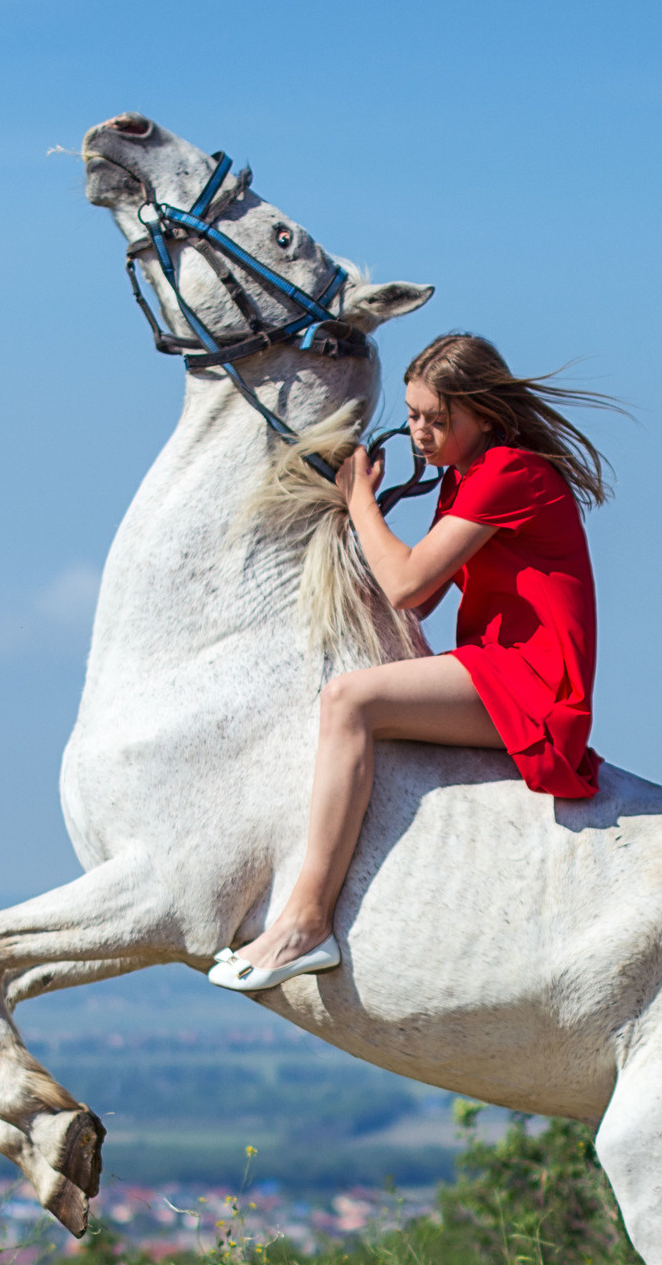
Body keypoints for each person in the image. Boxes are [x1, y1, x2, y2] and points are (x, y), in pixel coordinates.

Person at [210, 334, 617, 991]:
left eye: (437, 417)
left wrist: (360, 502)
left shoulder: (508, 473)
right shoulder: (466, 476)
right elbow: (422, 596)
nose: (421, 433)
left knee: (348, 700)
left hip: (533, 684)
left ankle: (306, 923)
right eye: (413, 414)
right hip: (495, 665)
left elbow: (404, 587)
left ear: (483, 414)